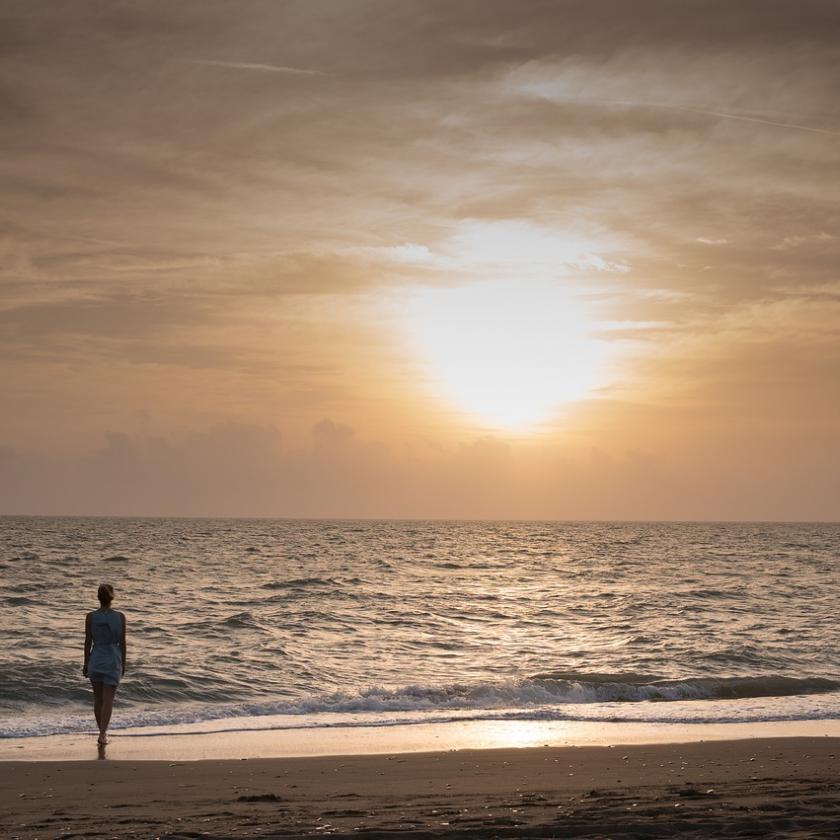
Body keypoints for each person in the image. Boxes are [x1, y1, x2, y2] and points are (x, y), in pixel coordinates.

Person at [83, 583, 126, 745]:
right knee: (108, 700)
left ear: (98, 598)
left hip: (96, 659)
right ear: (112, 598)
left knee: (98, 699)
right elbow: (122, 643)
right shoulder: (120, 616)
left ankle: (101, 732)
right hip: (113, 659)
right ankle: (102, 734)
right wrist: (124, 663)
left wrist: (86, 663)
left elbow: (88, 642)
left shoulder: (90, 616)